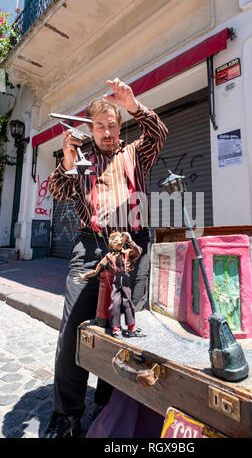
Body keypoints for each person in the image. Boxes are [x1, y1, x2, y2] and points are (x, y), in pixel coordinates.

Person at [45, 78, 168, 438]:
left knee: (126, 331)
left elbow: (158, 131)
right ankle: (67, 414)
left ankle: (110, 404)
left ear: (120, 126)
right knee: (73, 331)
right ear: (91, 130)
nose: (107, 131)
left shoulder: (136, 153)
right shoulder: (81, 163)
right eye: (99, 125)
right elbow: (58, 189)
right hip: (91, 248)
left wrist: (133, 104)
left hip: (134, 248)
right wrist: (67, 162)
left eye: (113, 124)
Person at [74, 231, 146, 338]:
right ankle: (116, 329)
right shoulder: (108, 257)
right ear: (111, 244)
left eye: (120, 240)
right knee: (115, 304)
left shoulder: (128, 252)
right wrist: (84, 276)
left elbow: (138, 251)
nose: (119, 242)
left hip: (126, 279)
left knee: (128, 303)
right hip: (116, 281)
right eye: (115, 241)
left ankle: (132, 328)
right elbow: (96, 270)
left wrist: (130, 240)